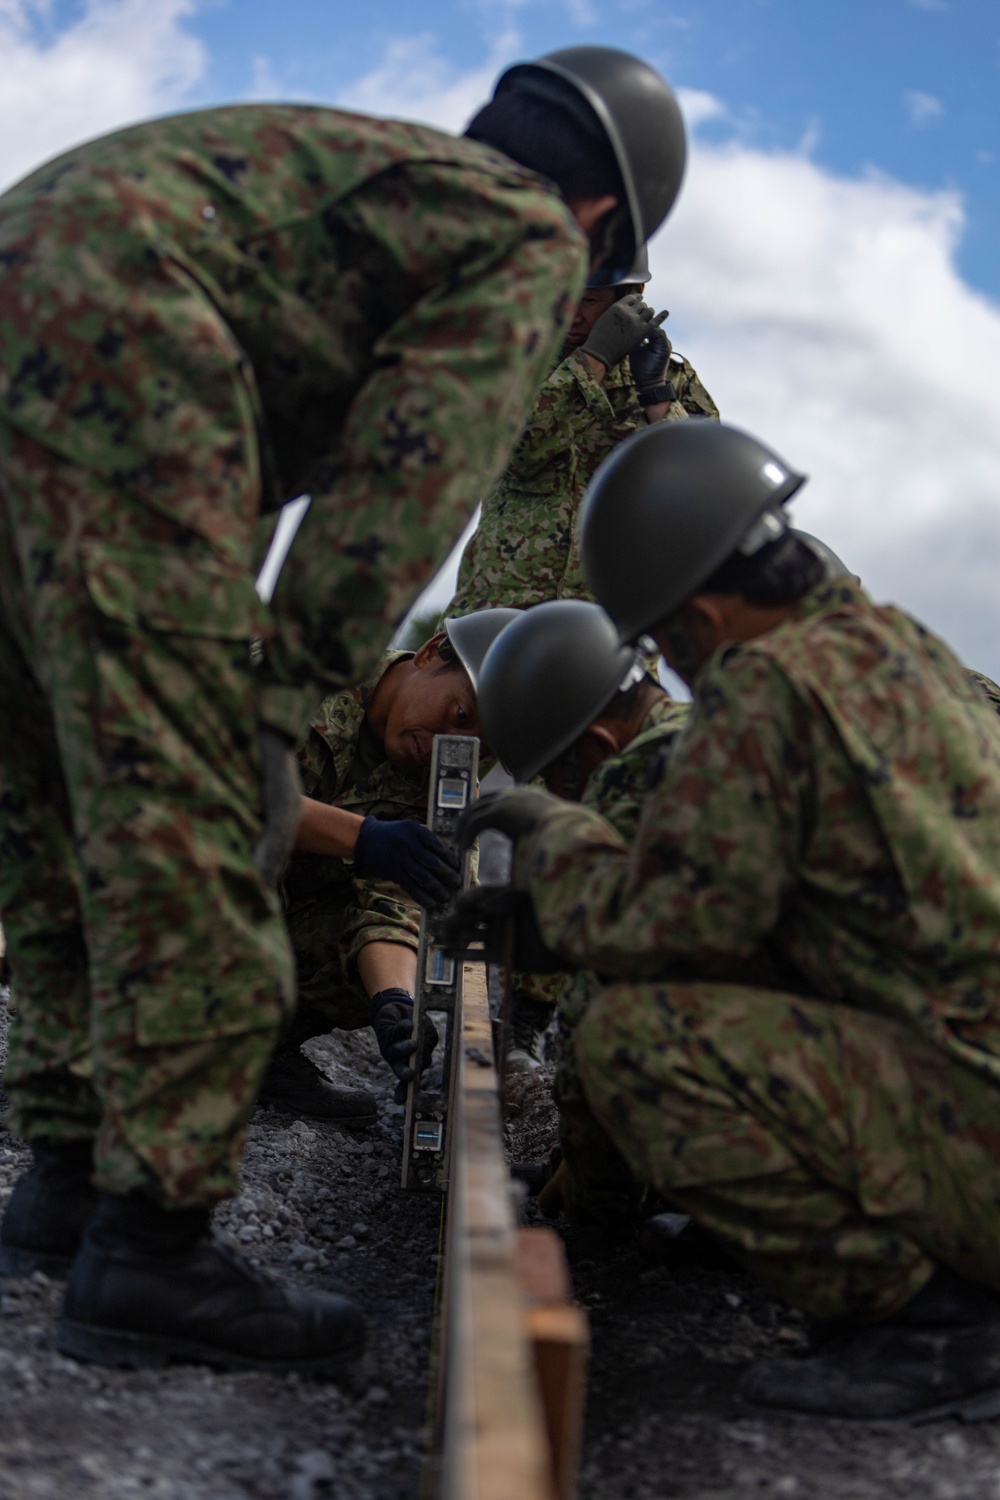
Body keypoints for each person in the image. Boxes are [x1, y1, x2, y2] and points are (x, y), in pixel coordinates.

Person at [0, 47, 688, 1373]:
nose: (578, 313)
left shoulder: (364, 179)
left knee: (46, 792)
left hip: (32, 303)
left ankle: (66, 1178)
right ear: (602, 216)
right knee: (191, 828)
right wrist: (259, 709)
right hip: (126, 355)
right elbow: (400, 489)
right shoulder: (520, 234)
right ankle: (152, 1252)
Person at [459, 420, 1000, 1420]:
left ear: (701, 616)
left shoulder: (768, 690)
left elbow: (664, 928)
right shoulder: (900, 648)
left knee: (635, 1040)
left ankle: (931, 1324)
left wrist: (555, 835)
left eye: (665, 642)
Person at [264, 609, 518, 1124]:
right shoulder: (308, 671)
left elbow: (398, 905)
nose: (455, 742)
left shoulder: (438, 788)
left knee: (422, 922)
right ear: (430, 653)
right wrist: (365, 837)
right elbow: (217, 791)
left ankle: (262, 1055)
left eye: (478, 746)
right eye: (460, 716)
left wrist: (394, 1005)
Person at [447, 251, 719, 618]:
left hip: (610, 621)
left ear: (631, 294)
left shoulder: (672, 380)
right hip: (499, 611)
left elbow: (704, 493)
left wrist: (656, 393)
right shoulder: (516, 367)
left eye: (589, 300)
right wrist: (593, 359)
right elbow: (518, 455)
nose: (572, 313)